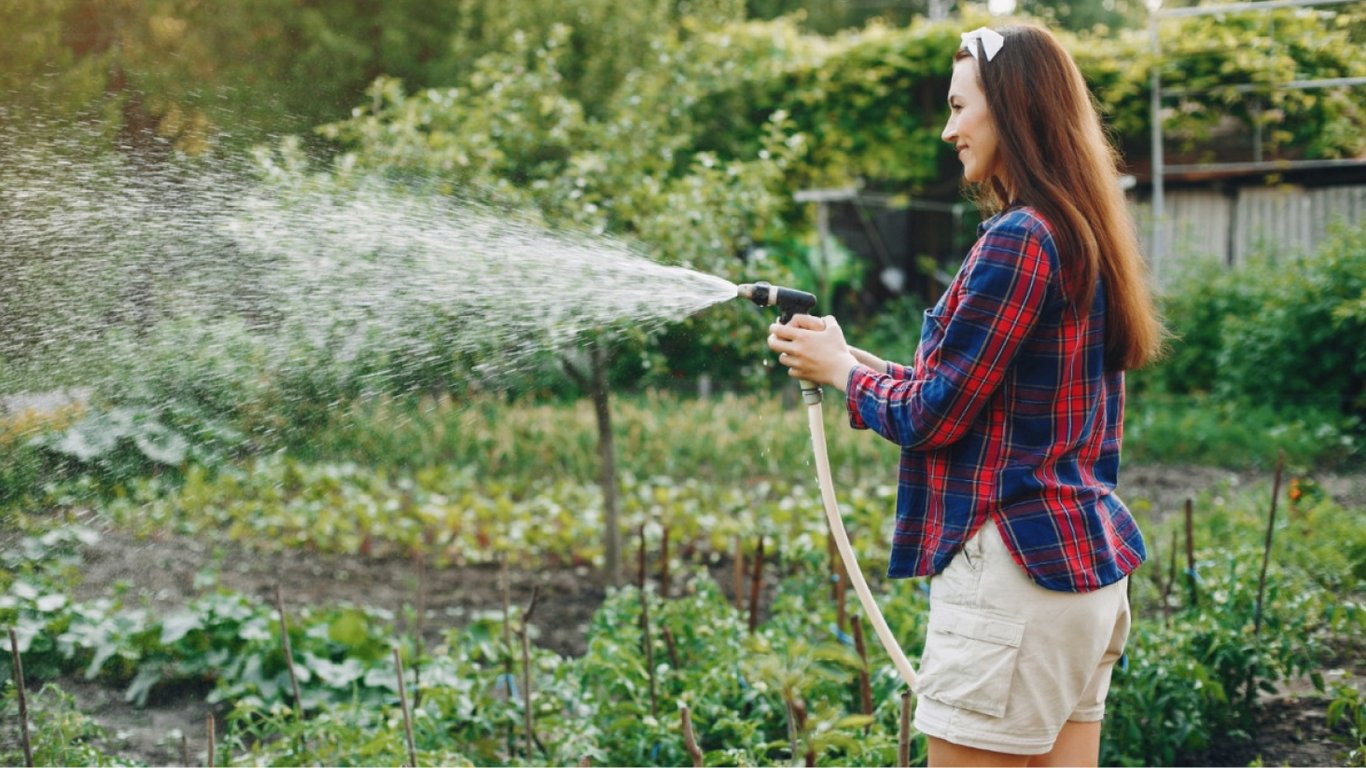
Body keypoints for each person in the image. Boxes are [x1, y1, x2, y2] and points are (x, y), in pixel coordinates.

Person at [767, 22, 1166, 767]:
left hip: (1015, 586)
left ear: (1013, 107)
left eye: (959, 107)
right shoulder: (1079, 231)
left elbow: (932, 416)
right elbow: (974, 394)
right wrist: (847, 358)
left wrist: (844, 378)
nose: (949, 129)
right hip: (1080, 583)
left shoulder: (1018, 238)